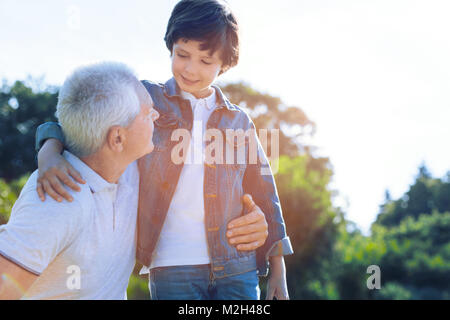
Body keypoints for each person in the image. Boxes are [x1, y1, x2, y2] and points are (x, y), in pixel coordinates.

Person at [35, 0, 293, 300]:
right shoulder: (145, 99)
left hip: (237, 265)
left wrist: (278, 270)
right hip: (172, 265)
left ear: (225, 63)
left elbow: (265, 194)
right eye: (182, 55)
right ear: (171, 46)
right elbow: (78, 121)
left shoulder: (240, 121)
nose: (190, 68)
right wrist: (49, 152)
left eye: (205, 61)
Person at [0, 62, 160, 299]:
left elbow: (57, 128)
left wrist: (48, 146)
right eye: (148, 114)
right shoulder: (56, 199)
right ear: (117, 138)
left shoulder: (129, 171)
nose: (157, 115)